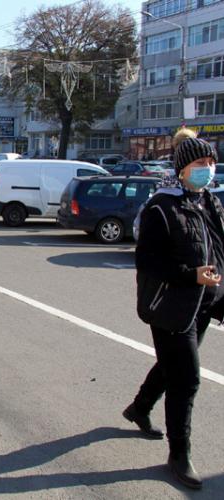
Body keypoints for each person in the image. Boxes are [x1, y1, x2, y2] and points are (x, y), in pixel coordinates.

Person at [125, 132, 221, 490]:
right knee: (187, 378)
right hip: (170, 306)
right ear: (182, 169)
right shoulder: (161, 208)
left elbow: (219, 250)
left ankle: (139, 408)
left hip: (203, 304)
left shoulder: (209, 201)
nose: (207, 169)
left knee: (172, 365)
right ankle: (179, 453)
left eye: (210, 163)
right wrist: (190, 275)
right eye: (199, 163)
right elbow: (147, 262)